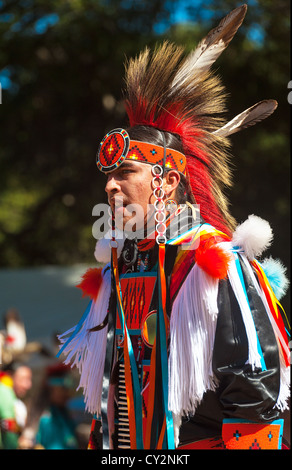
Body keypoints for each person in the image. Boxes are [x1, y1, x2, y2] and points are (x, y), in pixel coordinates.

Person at [58, 5, 290, 450]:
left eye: (125, 172)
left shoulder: (212, 262)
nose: (110, 186)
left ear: (165, 181)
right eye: (107, 176)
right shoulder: (122, 267)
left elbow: (254, 390)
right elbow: (115, 388)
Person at [0, 362, 32, 449]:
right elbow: (8, 431)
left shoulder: (14, 399)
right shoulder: (4, 392)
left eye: (29, 380)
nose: (28, 385)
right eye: (24, 379)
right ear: (10, 376)